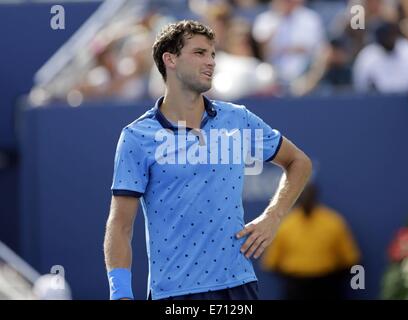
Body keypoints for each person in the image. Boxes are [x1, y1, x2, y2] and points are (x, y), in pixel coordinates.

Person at [103, 20, 312, 300]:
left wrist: (273, 217)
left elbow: (299, 162)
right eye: (200, 53)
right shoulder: (137, 136)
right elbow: (120, 225)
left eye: (212, 54)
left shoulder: (238, 118)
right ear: (170, 60)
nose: (211, 61)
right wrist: (120, 294)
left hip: (238, 287)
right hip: (174, 295)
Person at [261, 183, 361, 299]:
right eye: (303, 196)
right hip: (296, 286)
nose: (306, 199)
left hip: (326, 284)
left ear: (315, 196)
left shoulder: (333, 222)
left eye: (308, 195)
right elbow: (271, 262)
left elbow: (350, 258)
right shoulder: (286, 225)